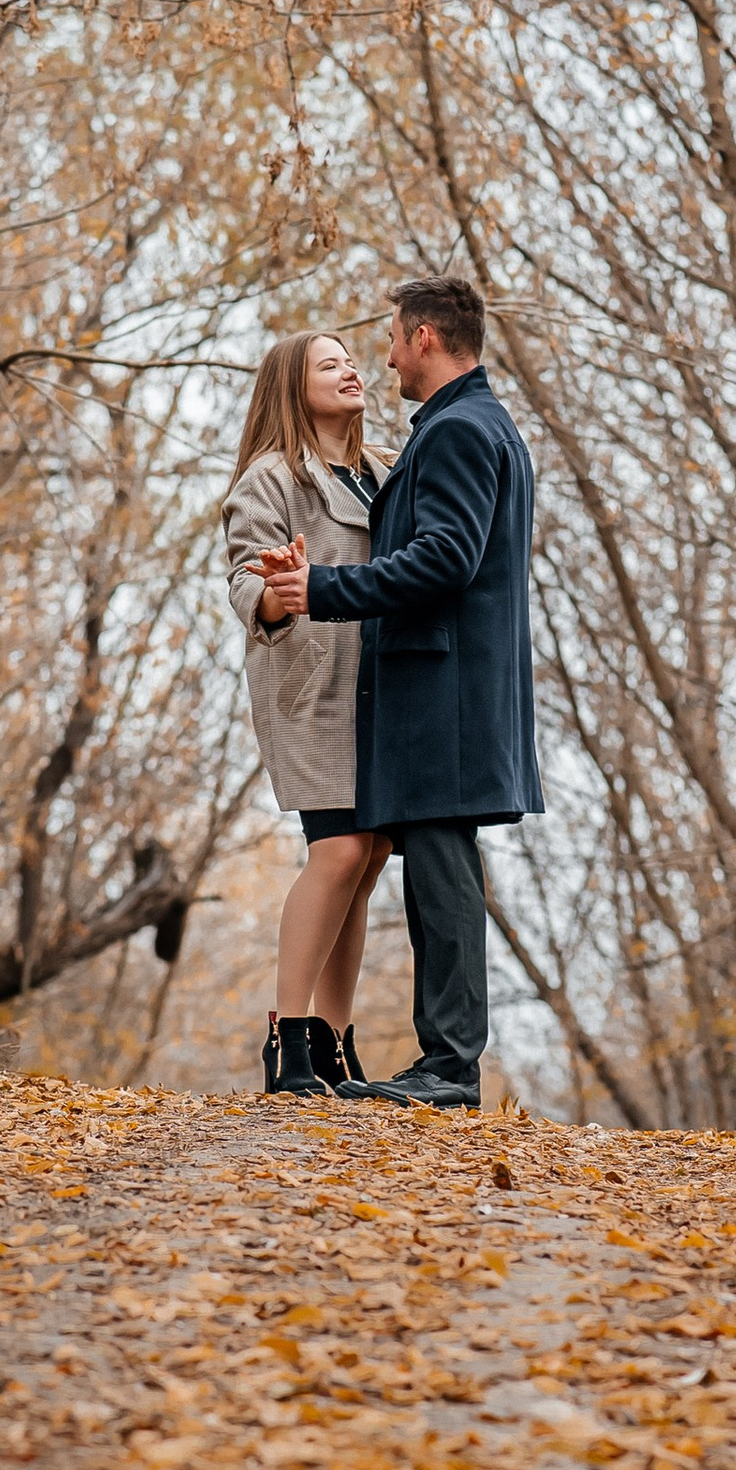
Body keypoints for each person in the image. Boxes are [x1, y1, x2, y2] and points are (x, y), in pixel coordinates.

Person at [257, 273, 540, 1109]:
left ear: (424, 337)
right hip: (453, 692)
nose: (383, 359)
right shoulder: (473, 426)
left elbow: (445, 558)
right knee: (438, 874)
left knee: (443, 878)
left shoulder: (458, 430)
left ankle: (449, 1065)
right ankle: (443, 1059)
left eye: (388, 339)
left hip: (445, 693)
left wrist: (325, 589)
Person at [222, 330, 395, 1101]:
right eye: (330, 364)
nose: (351, 369)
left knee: (370, 855)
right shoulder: (271, 476)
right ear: (294, 386)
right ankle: (286, 1037)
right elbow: (243, 578)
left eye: (351, 360)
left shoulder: (384, 470)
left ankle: (332, 1041)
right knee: (339, 848)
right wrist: (275, 589)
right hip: (312, 687)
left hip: (383, 686)